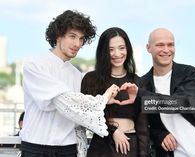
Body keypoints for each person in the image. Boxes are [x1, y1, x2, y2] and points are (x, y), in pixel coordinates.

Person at [20, 10, 123, 157]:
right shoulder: (35, 64)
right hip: (36, 147)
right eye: (72, 36)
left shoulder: (76, 74)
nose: (77, 44)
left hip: (68, 149)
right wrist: (103, 99)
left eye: (81, 39)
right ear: (58, 35)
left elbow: (78, 119)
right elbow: (63, 101)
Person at [139, 28, 195, 157]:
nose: (166, 50)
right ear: (148, 48)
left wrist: (142, 96)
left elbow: (181, 103)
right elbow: (144, 123)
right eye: (160, 45)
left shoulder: (189, 73)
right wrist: (159, 134)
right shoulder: (142, 83)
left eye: (170, 44)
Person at [81, 27, 149, 157]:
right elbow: (87, 115)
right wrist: (113, 131)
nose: (117, 54)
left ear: (127, 49)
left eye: (121, 48)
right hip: (102, 146)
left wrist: (144, 154)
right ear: (103, 52)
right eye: (110, 49)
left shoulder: (138, 82)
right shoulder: (91, 79)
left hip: (131, 146)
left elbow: (143, 125)